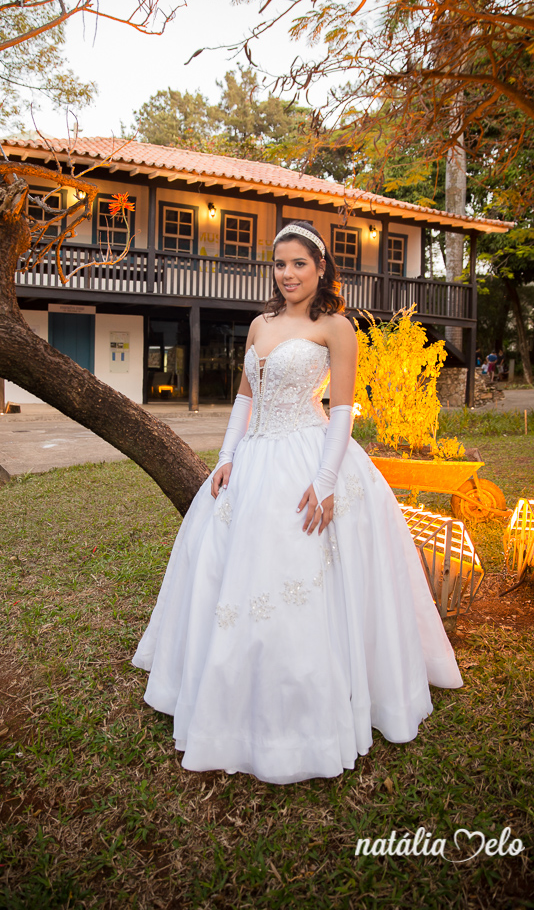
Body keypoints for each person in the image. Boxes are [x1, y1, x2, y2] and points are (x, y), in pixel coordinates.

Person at [133, 220, 462, 785]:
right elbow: (243, 398)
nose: (288, 274)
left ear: (321, 269)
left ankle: (315, 708)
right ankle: (226, 695)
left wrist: (327, 480)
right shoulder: (259, 324)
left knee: (308, 572)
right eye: (280, 264)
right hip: (254, 460)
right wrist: (227, 458)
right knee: (227, 570)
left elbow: (340, 410)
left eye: (299, 264)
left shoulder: (336, 326)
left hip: (309, 454)